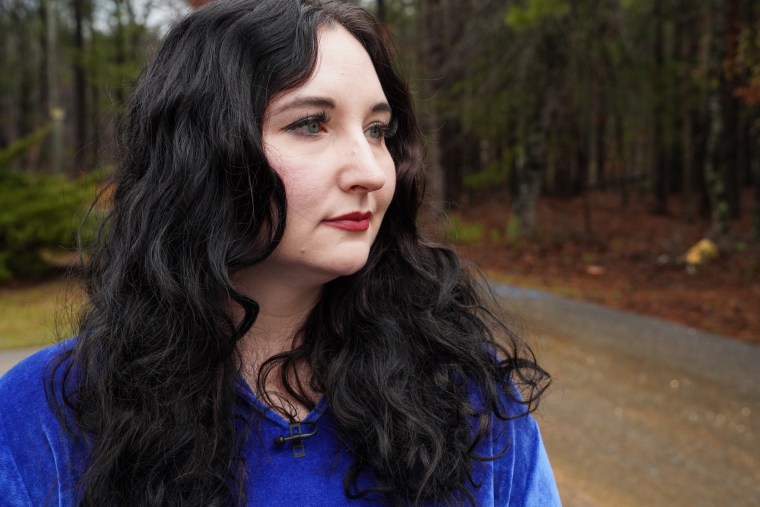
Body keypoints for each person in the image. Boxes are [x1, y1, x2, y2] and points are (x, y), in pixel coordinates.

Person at [0, 0, 561, 505]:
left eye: (377, 130)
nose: (370, 172)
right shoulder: (44, 417)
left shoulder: (461, 389)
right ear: (200, 155)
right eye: (312, 124)